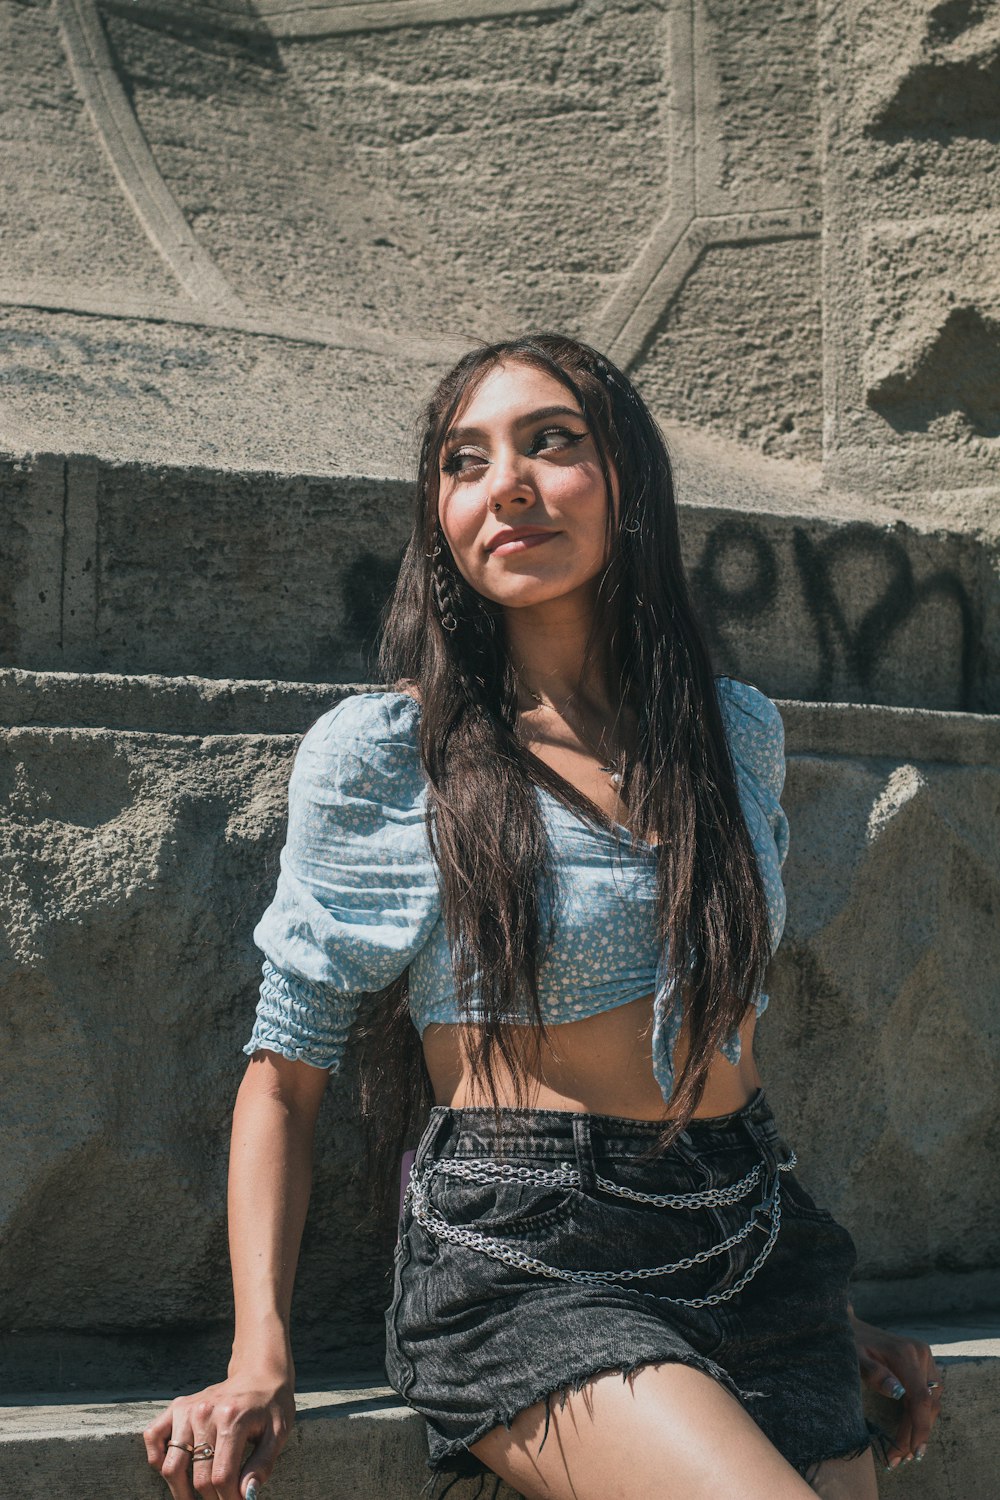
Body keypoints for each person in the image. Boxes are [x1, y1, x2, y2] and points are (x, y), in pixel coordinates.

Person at [144, 333, 944, 1500]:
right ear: (442, 520)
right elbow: (285, 1072)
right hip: (528, 1255)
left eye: (550, 443)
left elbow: (726, 1045)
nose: (505, 483)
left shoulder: (732, 734)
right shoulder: (387, 755)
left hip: (756, 1242)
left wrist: (841, 1309)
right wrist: (258, 1355)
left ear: (628, 484)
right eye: (465, 462)